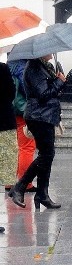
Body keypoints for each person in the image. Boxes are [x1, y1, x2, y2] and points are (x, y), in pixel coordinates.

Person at [7, 54, 66, 209]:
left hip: (45, 115)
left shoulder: (43, 67)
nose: (52, 54)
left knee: (47, 155)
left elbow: (49, 91)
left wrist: (59, 80)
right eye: (49, 50)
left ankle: (42, 194)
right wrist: (59, 82)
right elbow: (42, 95)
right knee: (46, 155)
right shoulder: (33, 68)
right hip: (39, 116)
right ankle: (20, 186)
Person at [8, 60, 35, 192]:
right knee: (27, 146)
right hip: (23, 110)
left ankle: (9, 181)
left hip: (9, 110)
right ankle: (26, 182)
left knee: (13, 146)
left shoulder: (7, 66)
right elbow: (28, 90)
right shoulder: (23, 68)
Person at [0, 62, 18, 194]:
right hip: (3, 117)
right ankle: (9, 183)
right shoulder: (3, 68)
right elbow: (11, 91)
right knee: (8, 152)